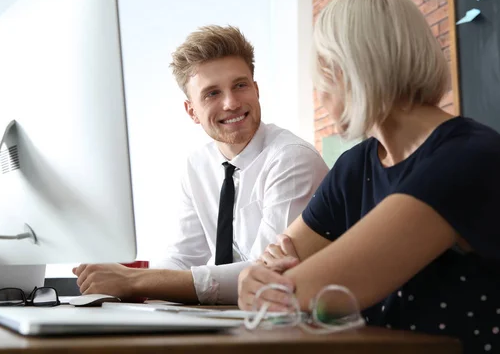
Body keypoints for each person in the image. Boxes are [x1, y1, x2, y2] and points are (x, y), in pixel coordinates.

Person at [238, 0, 500, 353]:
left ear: (348, 70)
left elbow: (298, 292)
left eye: (322, 72)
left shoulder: (468, 157)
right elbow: (275, 265)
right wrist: (262, 278)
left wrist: (268, 282)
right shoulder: (355, 165)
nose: (320, 91)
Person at [73, 25, 328, 304]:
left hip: (290, 323)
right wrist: (122, 284)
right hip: (236, 322)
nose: (231, 103)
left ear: (256, 90)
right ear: (191, 111)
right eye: (212, 94)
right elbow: (182, 256)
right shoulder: (198, 166)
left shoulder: (291, 159)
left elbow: (264, 276)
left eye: (240, 85)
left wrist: (134, 280)